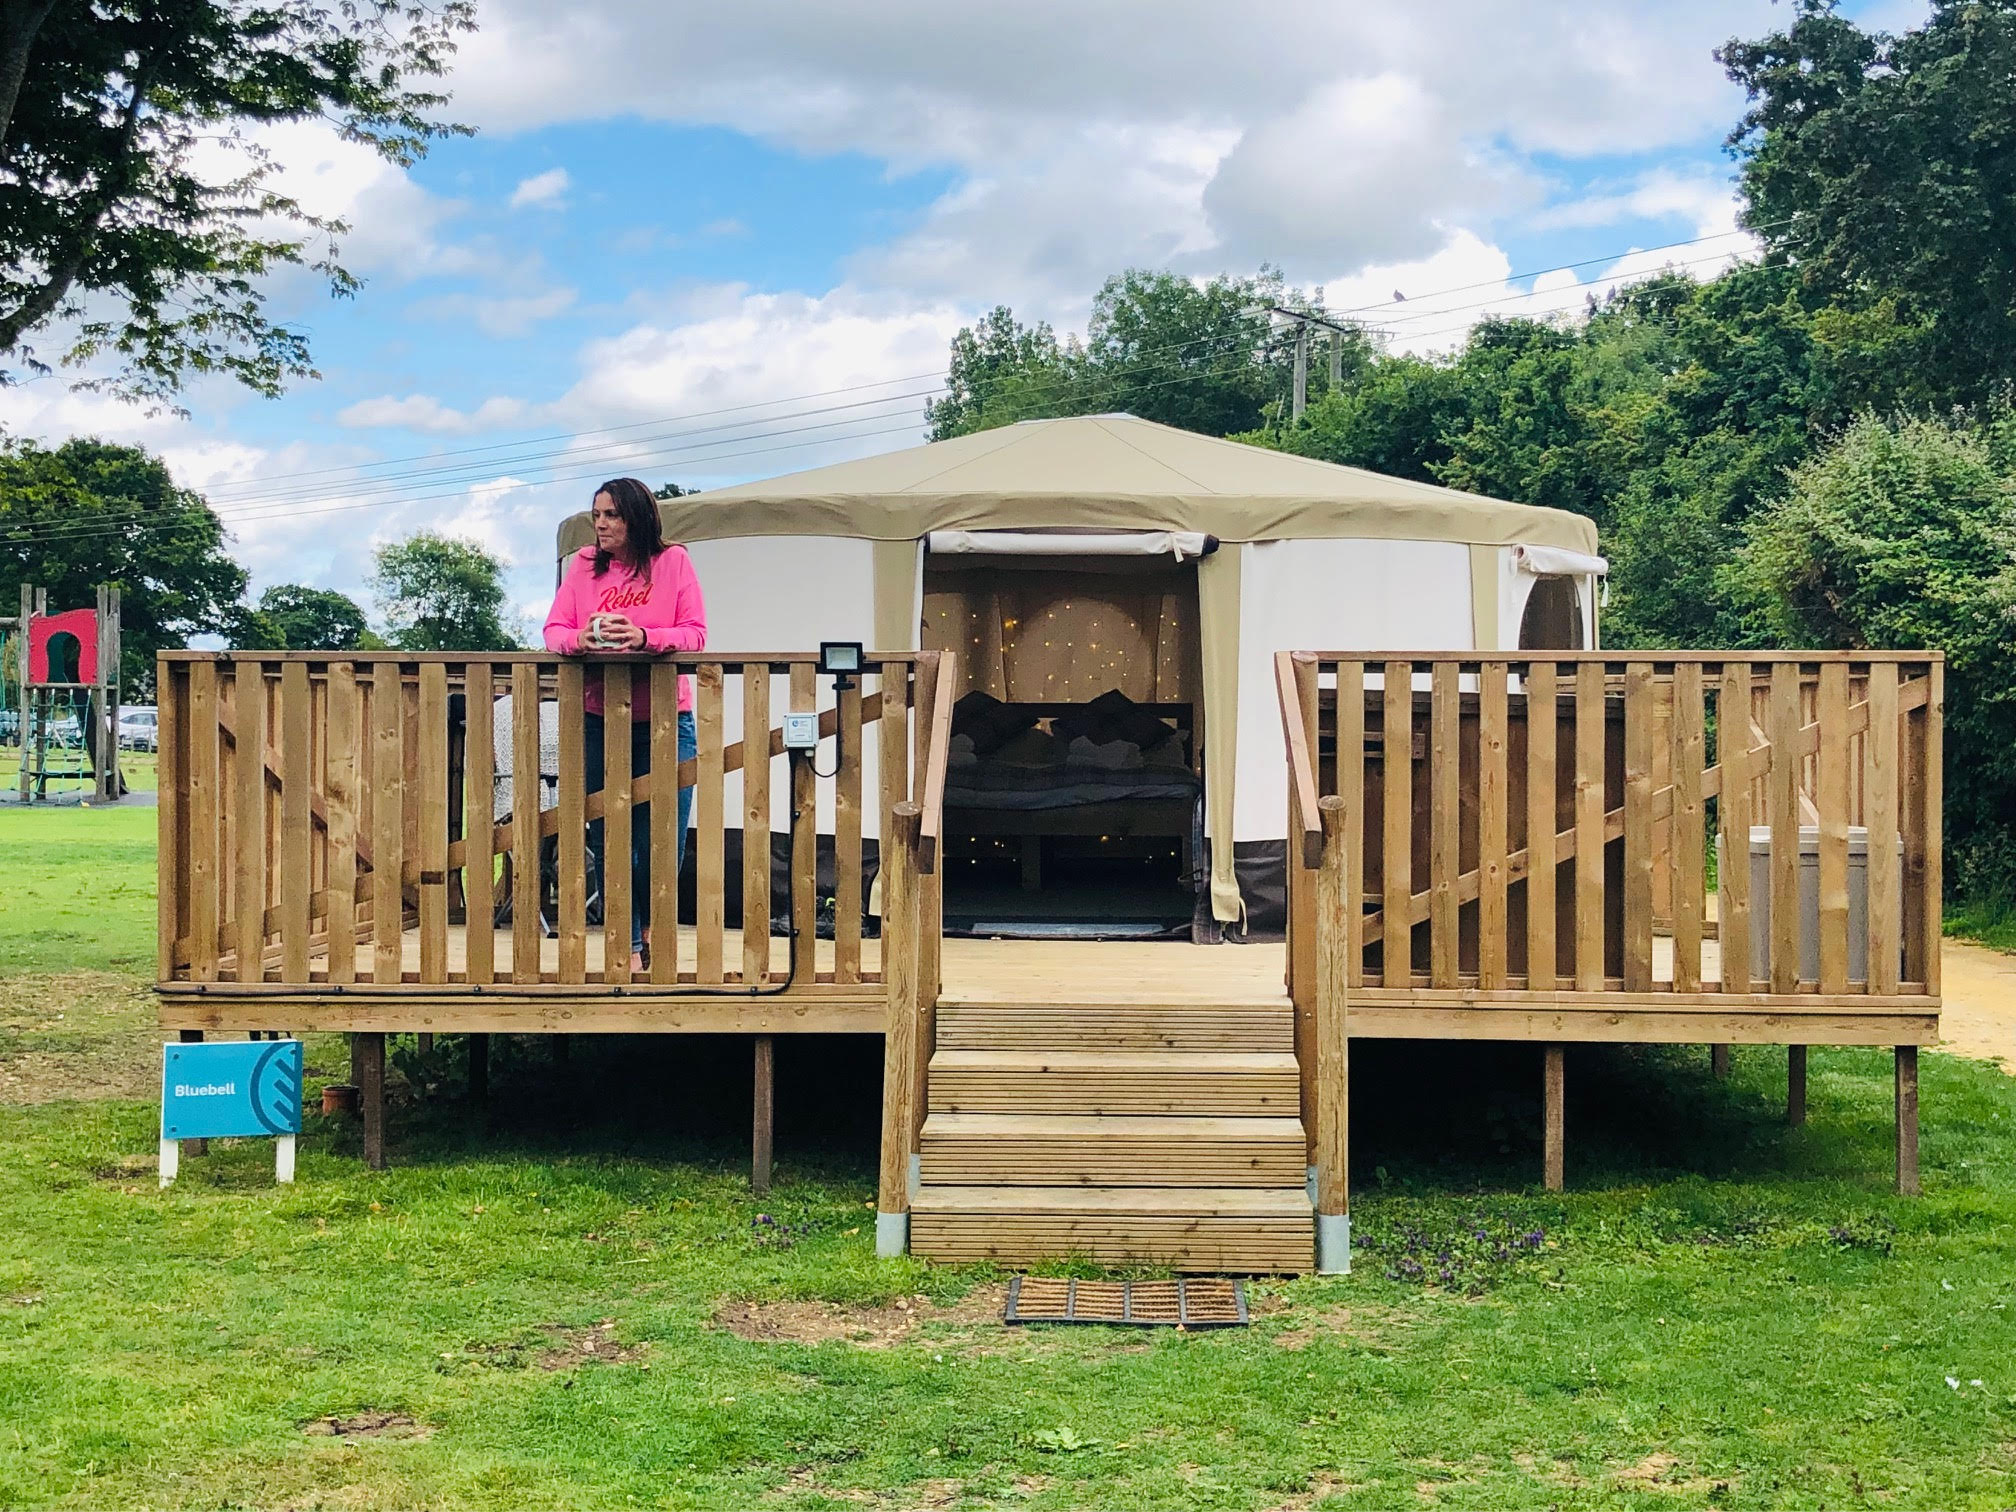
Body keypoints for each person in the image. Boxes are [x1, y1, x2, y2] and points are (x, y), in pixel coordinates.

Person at [544, 477, 706, 973]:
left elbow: (695, 634)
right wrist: (586, 638)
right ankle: (630, 946)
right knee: (606, 833)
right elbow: (554, 631)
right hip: (598, 716)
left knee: (662, 836)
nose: (601, 523)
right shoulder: (583, 566)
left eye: (611, 514)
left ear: (637, 517)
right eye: (597, 514)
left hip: (664, 719)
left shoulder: (672, 562)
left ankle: (654, 933)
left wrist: (642, 635)